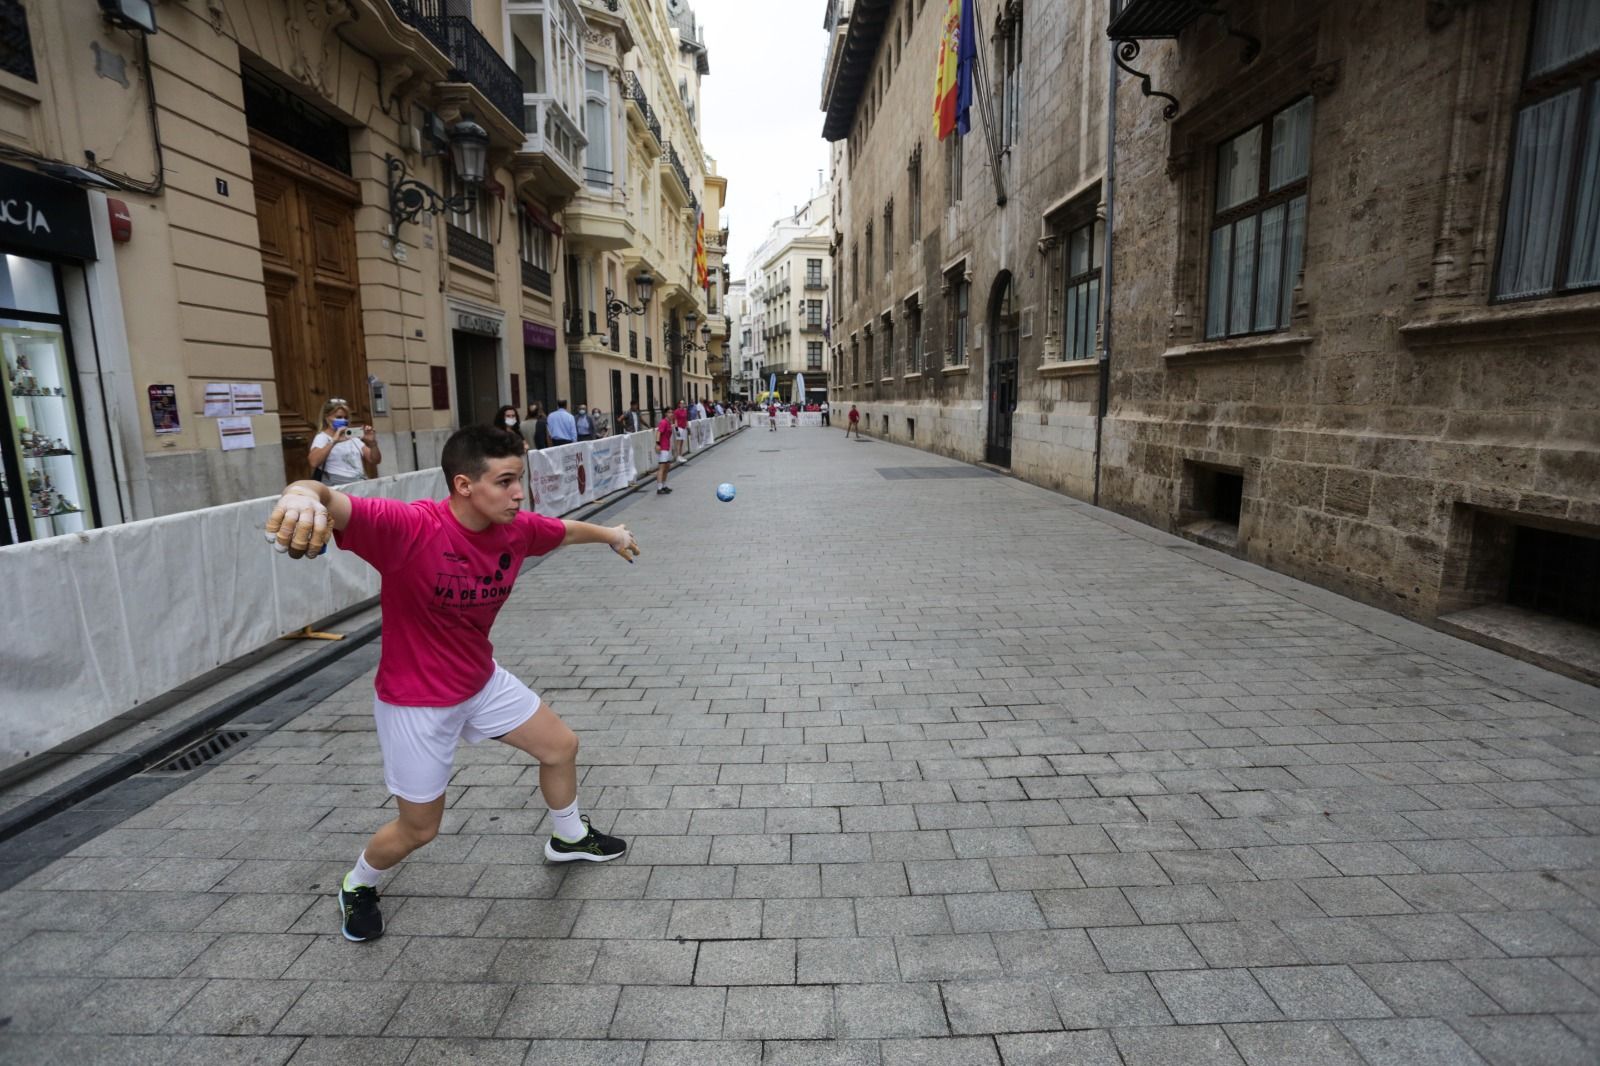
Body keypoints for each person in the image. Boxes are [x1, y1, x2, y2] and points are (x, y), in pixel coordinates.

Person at [263, 425, 638, 942]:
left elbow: (564, 530)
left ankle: (569, 837)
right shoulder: (408, 527)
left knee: (560, 747)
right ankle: (358, 883)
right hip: (416, 702)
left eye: (519, 480)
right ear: (464, 485)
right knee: (420, 829)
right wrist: (302, 494)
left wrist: (612, 536)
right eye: (505, 482)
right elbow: (329, 497)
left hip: (481, 681)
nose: (518, 493)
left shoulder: (515, 528)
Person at [310, 398, 381, 485]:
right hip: (337, 486)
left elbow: (374, 460)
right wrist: (333, 441)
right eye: (339, 417)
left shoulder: (352, 437)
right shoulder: (322, 437)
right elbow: (313, 462)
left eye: (346, 417)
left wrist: (373, 444)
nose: (343, 420)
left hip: (358, 483)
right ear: (327, 418)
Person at [654, 410, 674, 495]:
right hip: (663, 448)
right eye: (669, 412)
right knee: (661, 468)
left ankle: (664, 485)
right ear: (666, 413)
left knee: (667, 467)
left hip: (667, 448)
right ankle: (659, 488)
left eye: (672, 412)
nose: (671, 414)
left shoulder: (669, 423)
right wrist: (658, 444)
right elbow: (658, 432)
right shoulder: (663, 422)